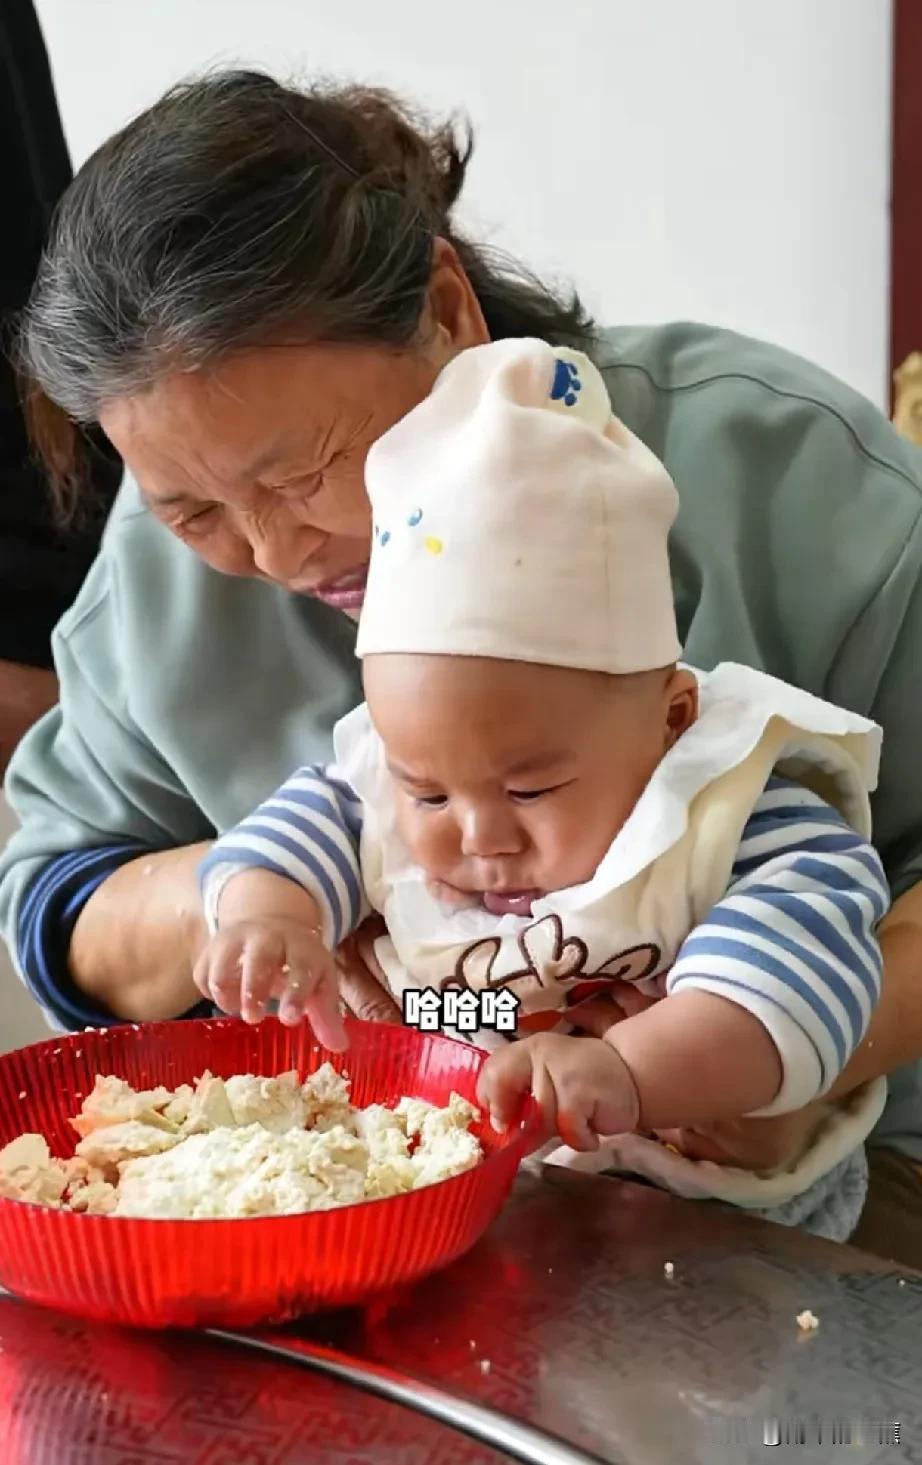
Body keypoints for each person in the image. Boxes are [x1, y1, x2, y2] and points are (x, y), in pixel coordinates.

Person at [2, 70, 921, 1262]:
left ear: (447, 306)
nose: (275, 553)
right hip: (401, 1182)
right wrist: (286, 902)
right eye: (195, 510)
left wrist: (754, 1051)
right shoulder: (165, 576)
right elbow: (59, 902)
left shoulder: (782, 471)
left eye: (305, 471)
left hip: (810, 1187)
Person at [192, 338, 887, 1241]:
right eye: (429, 794)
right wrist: (269, 919)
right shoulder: (385, 783)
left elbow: (790, 988)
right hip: (467, 1167)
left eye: (532, 789)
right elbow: (300, 827)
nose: (479, 835)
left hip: (709, 1229)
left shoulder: (734, 816)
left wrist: (631, 1070)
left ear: (671, 719)